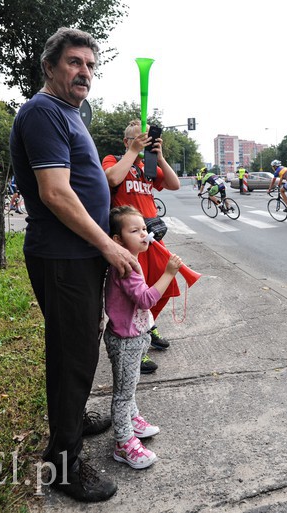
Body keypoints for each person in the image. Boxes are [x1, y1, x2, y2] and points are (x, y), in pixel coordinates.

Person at [9, 27, 142, 503]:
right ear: (50, 67)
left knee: (77, 344)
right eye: (74, 62)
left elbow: (95, 180)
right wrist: (108, 247)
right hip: (64, 256)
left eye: (90, 65)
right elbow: (55, 192)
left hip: (77, 255)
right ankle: (64, 463)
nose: (84, 71)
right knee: (73, 355)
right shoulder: (43, 111)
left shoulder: (68, 113)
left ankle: (74, 414)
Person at [104, 205, 182, 469]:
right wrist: (169, 274)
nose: (143, 235)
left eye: (144, 229)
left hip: (133, 337)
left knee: (131, 385)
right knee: (123, 393)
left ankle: (132, 419)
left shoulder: (131, 260)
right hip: (125, 341)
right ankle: (123, 443)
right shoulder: (126, 266)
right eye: (134, 231)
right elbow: (145, 299)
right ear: (117, 240)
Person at [102, 119, 181, 374]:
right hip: (129, 238)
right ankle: (139, 346)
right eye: (139, 139)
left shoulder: (147, 166)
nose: (144, 144)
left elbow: (173, 184)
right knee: (136, 291)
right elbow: (111, 179)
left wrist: (159, 156)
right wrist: (133, 151)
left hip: (151, 235)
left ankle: (149, 324)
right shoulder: (116, 159)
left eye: (147, 140)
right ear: (127, 142)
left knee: (165, 285)